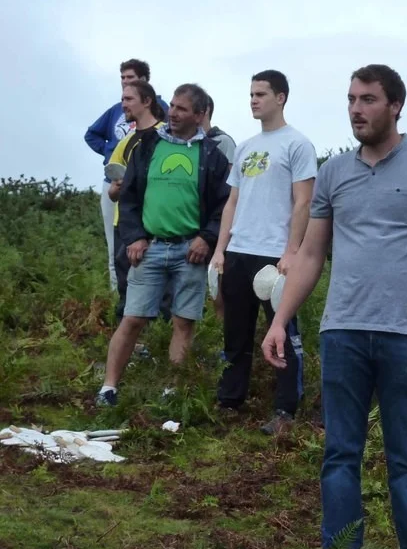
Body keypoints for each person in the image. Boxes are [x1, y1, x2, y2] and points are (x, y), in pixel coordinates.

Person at [261, 64, 407, 549]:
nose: (356, 109)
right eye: (352, 99)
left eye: (369, 99)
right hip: (343, 333)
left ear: (395, 105)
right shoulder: (334, 172)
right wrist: (281, 319)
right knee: (339, 456)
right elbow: (312, 253)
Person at [95, 84, 230, 407]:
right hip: (150, 247)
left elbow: (224, 205)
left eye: (182, 109)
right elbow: (128, 196)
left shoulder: (212, 155)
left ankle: (171, 392)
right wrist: (134, 237)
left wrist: (207, 238)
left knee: (184, 322)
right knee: (132, 318)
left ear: (199, 114)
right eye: (172, 106)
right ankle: (108, 389)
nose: (173, 113)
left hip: (191, 251)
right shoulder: (147, 146)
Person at [212, 70, 316, 435]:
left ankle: (285, 410)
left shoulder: (298, 144)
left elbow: (303, 202)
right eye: (251, 94)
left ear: (280, 97)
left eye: (261, 94)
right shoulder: (245, 146)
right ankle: (229, 402)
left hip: (275, 255)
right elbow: (232, 202)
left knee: (282, 331)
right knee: (235, 333)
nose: (254, 100)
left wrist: (292, 251)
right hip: (239, 250)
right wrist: (220, 249)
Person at [84, 59, 168, 293]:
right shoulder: (119, 120)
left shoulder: (164, 125)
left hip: (155, 213)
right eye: (122, 78)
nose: (124, 83)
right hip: (123, 209)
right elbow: (91, 134)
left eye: (130, 78)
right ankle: (118, 299)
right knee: (118, 255)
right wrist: (109, 151)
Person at [105, 80, 168, 323]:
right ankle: (130, 343)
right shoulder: (126, 141)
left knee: (161, 292)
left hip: (155, 224)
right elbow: (113, 191)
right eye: (122, 99)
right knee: (126, 289)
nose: (123, 105)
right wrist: (117, 189)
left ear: (147, 101)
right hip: (124, 225)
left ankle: (158, 341)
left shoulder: (166, 135)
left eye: (129, 99)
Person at [200, 93, 237, 323]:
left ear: (204, 111)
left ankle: (222, 332)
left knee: (219, 285)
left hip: (219, 222)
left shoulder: (223, 141)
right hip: (197, 223)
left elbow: (231, 187)